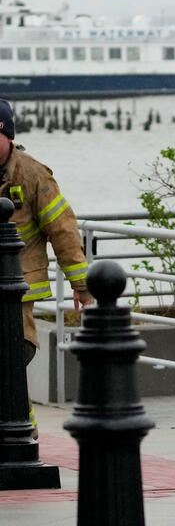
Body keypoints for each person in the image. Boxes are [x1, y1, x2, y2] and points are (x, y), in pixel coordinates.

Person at [0, 98, 94, 436]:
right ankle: (19, 430)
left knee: (14, 354)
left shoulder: (33, 174)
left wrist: (82, 286)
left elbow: (63, 230)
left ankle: (23, 434)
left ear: (8, 136)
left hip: (19, 289)